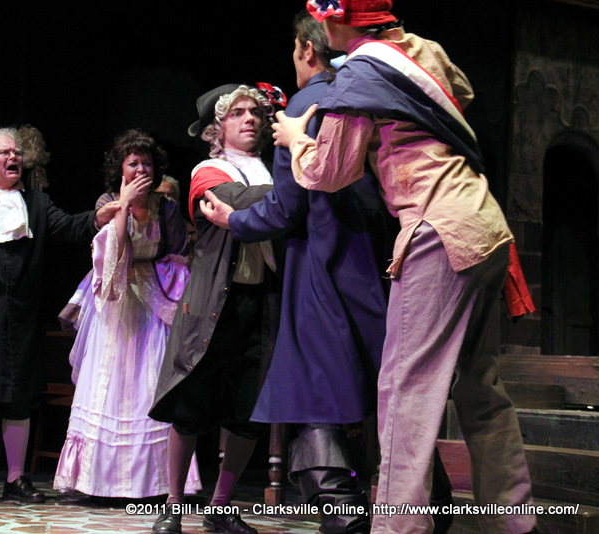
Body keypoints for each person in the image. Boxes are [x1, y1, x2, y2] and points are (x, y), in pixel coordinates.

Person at [272, 1, 537, 533]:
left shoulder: (361, 76)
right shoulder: (423, 50)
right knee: (481, 390)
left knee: (404, 392)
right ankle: (514, 524)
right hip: (484, 225)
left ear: (336, 20)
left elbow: (330, 172)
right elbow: (459, 92)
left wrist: (297, 139)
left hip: (439, 231)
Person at [199, 11, 388, 534]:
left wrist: (235, 220)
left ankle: (339, 508)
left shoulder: (305, 106)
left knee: (313, 383)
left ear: (307, 50)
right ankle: (427, 500)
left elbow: (287, 207)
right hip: (370, 259)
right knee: (383, 384)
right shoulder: (363, 97)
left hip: (321, 258)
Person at [0, 127, 120, 504]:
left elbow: (67, 227)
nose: (13, 157)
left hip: (20, 318)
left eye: (17, 152)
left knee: (20, 400)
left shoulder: (36, 202)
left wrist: (101, 216)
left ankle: (16, 479)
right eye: (4, 153)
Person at [148, 84, 280, 534]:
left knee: (247, 413)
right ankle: (173, 504)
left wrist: (286, 200)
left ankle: (221, 506)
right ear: (216, 128)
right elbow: (239, 203)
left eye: (255, 112)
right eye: (238, 113)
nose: (250, 119)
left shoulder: (272, 172)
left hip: (260, 304)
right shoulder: (209, 170)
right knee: (191, 406)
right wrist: (290, 200)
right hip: (211, 306)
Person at [53, 129, 202, 499]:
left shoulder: (166, 208)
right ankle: (95, 482)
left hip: (154, 304)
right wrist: (124, 206)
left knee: (149, 385)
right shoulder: (108, 202)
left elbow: (178, 257)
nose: (140, 169)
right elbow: (114, 252)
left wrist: (156, 277)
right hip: (115, 304)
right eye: (133, 163)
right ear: (120, 169)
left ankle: (157, 483)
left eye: (146, 163)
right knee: (107, 384)